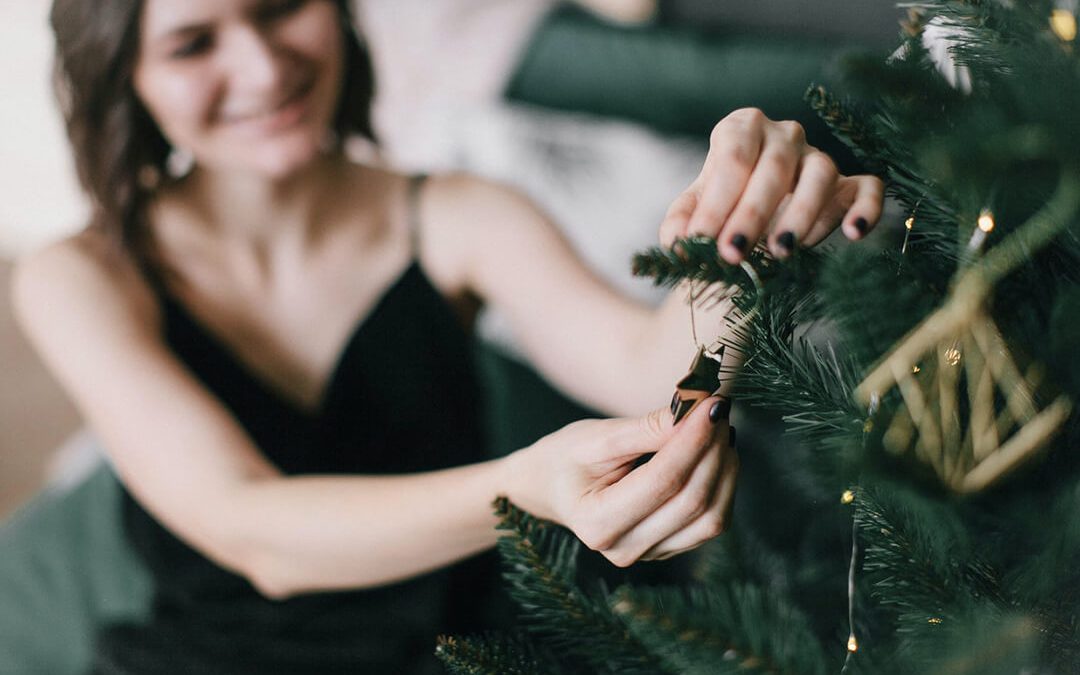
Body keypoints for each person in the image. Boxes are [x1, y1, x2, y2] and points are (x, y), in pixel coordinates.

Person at [12, 0, 883, 672]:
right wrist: (522, 485)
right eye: (192, 43)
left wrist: (741, 223)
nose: (261, 63)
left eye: (282, 6)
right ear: (121, 73)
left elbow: (640, 373)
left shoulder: (458, 213)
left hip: (467, 650)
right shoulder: (79, 276)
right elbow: (253, 529)